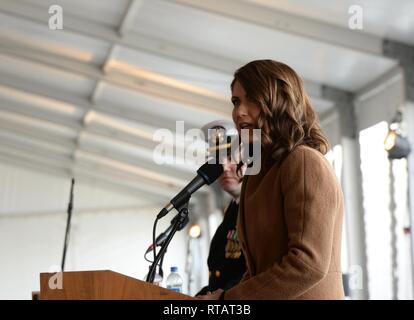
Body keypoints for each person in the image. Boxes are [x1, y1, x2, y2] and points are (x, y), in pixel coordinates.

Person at [198, 59, 344, 300]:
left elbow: (307, 265)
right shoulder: (257, 174)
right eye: (235, 102)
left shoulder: (304, 162)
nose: (239, 112)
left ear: (279, 102)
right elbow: (259, 271)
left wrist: (228, 300)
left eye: (251, 99)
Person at [195, 120, 247, 296]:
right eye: (217, 161)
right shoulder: (232, 210)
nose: (224, 167)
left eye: (231, 158)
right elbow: (218, 280)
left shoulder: (260, 209)